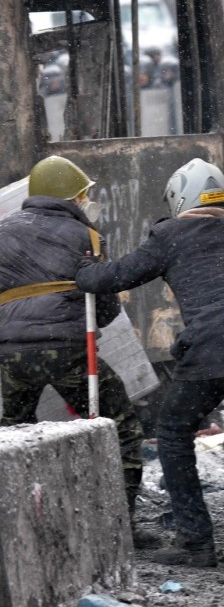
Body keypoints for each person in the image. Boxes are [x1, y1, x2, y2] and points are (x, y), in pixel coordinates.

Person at [75, 159, 224, 567]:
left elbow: (113, 277)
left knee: (174, 431)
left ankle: (196, 544)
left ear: (179, 198)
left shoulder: (170, 234)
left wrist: (81, 268)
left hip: (215, 347)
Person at [0, 155, 155, 548]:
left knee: (14, 433)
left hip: (11, 353)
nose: (88, 200)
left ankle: (16, 526)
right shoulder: (86, 236)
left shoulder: (2, 231)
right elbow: (103, 306)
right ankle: (121, 529)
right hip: (68, 349)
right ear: (73, 196)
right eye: (85, 194)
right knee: (121, 425)